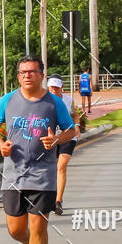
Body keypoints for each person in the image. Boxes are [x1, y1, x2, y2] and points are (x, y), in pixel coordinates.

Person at [0, 55, 76, 244]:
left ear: (41, 75)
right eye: (22, 72)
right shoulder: (8, 100)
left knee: (38, 227)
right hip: (13, 175)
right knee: (15, 229)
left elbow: (71, 130)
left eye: (32, 71)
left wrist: (56, 139)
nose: (27, 75)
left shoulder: (54, 103)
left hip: (43, 175)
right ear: (18, 76)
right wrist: (0, 145)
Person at [46, 75, 81, 215]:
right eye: (51, 88)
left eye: (56, 88)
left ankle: (58, 202)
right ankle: (50, 197)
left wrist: (77, 126)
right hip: (51, 138)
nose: (54, 90)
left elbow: (75, 115)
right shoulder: (43, 101)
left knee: (61, 166)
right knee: (51, 169)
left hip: (67, 136)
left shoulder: (68, 100)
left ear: (62, 88)